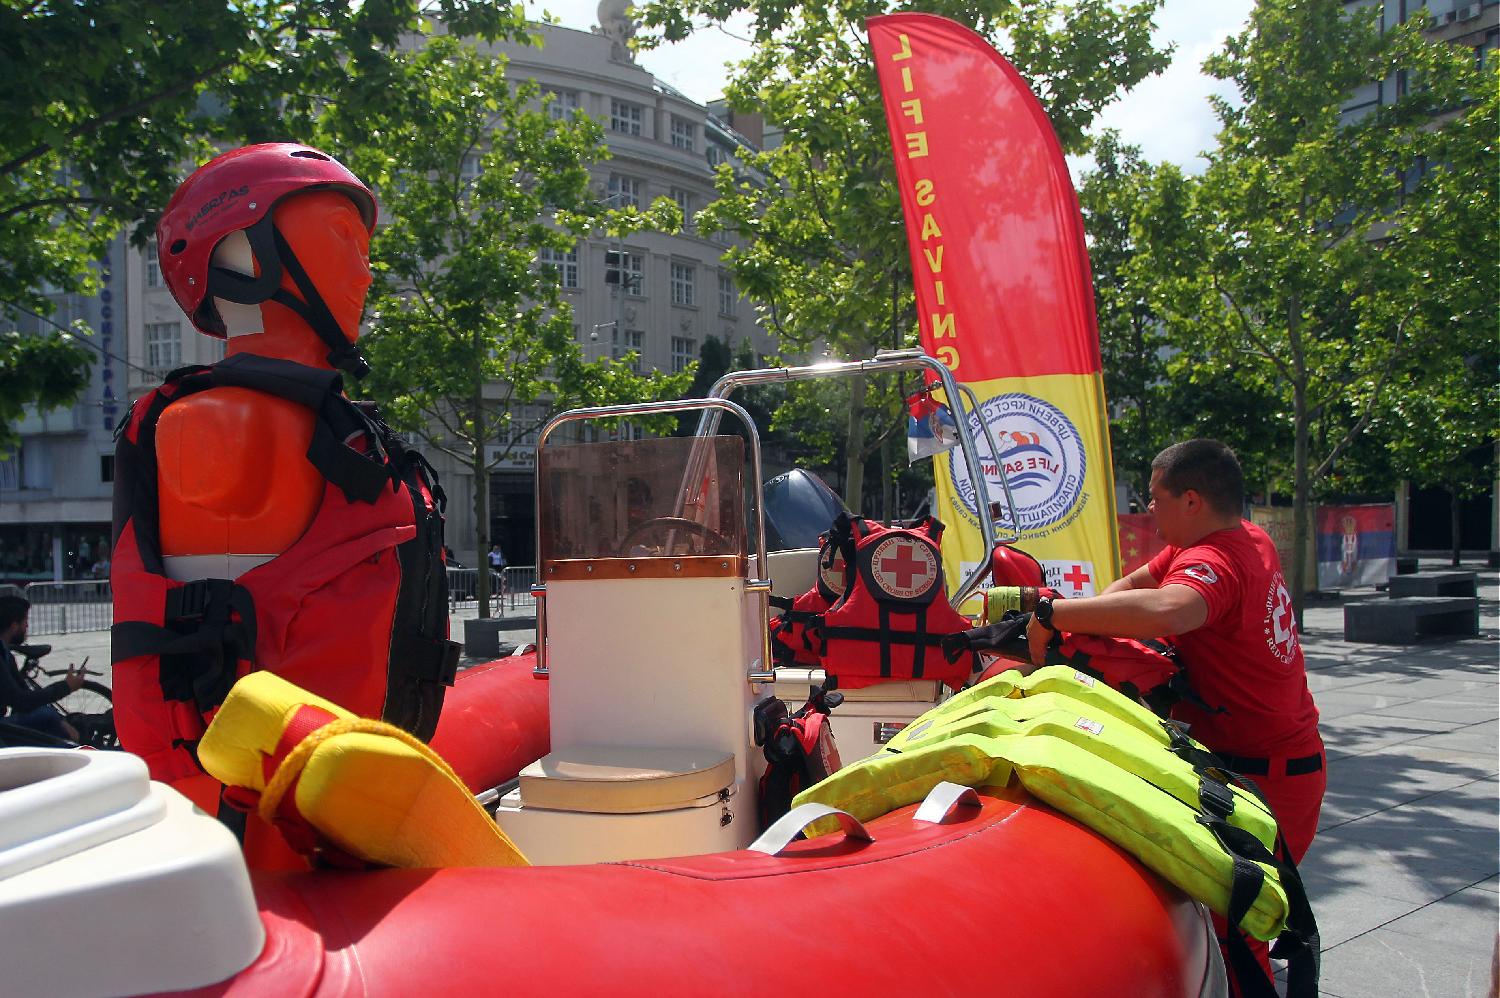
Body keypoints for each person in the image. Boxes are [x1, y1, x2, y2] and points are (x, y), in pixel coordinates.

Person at [1025, 439, 1323, 987]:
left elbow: (1171, 607)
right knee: (1221, 926)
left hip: (1269, 773)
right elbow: (1138, 585)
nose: (1149, 512)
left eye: (1155, 498)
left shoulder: (1216, 559)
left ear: (1191, 501)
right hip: (1255, 761)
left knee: (1239, 937)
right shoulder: (1240, 537)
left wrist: (1052, 612)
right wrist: (1086, 623)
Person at [0, 594, 85, 742]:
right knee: (47, 716)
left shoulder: (5, 652)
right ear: (14, 626)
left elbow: (26, 697)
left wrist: (61, 720)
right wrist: (65, 687)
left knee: (48, 716)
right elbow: (19, 700)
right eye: (25, 621)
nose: (27, 626)